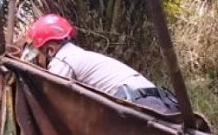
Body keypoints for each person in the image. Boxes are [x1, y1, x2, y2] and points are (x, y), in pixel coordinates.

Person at [23, 13, 179, 114]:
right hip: (158, 99)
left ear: (49, 49)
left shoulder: (62, 60)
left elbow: (52, 101)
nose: (38, 58)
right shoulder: (78, 55)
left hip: (139, 105)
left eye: (39, 52)